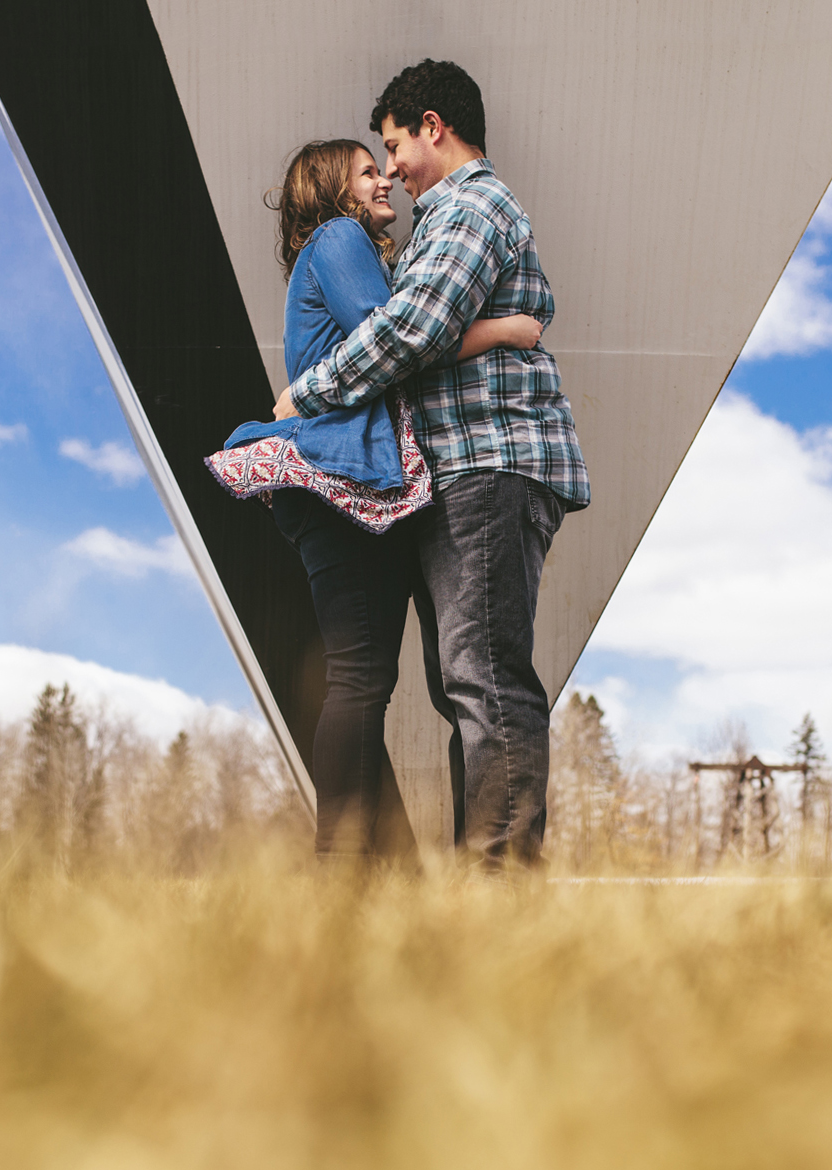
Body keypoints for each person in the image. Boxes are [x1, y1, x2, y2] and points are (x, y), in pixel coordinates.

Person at [275, 60, 589, 868]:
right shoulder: (434, 223)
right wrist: (509, 327)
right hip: (459, 473)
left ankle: (500, 883)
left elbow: (409, 331)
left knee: (481, 681)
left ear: (432, 127)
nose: (391, 170)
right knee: (464, 683)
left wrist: (305, 393)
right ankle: (477, 876)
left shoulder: (469, 206)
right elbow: (419, 330)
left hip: (489, 463)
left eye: (392, 146)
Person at [208, 140, 541, 860]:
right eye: (368, 168)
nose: (383, 176)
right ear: (335, 190)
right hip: (338, 477)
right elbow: (399, 336)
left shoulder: (340, 247)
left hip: (349, 483)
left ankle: (358, 865)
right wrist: (506, 330)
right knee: (359, 676)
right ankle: (340, 864)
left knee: (364, 676)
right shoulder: (339, 237)